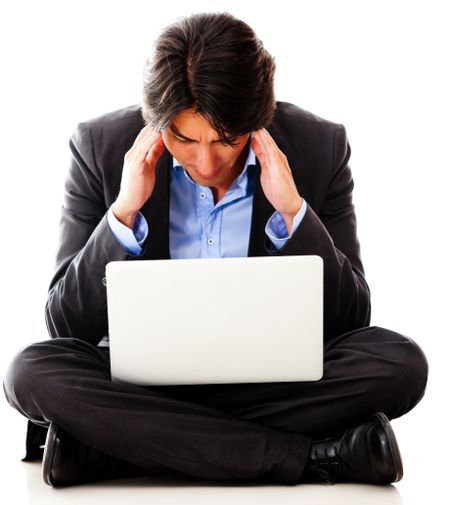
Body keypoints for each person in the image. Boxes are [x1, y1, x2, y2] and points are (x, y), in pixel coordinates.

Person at [3, 11, 428, 488]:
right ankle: (316, 457)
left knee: (399, 362)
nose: (206, 161)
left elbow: (351, 321)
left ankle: (119, 446)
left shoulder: (318, 146)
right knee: (30, 370)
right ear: (157, 121)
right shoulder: (100, 147)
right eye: (184, 138)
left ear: (258, 118)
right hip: (141, 380)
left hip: (271, 380)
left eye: (226, 139)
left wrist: (292, 213)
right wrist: (124, 213)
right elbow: (65, 325)